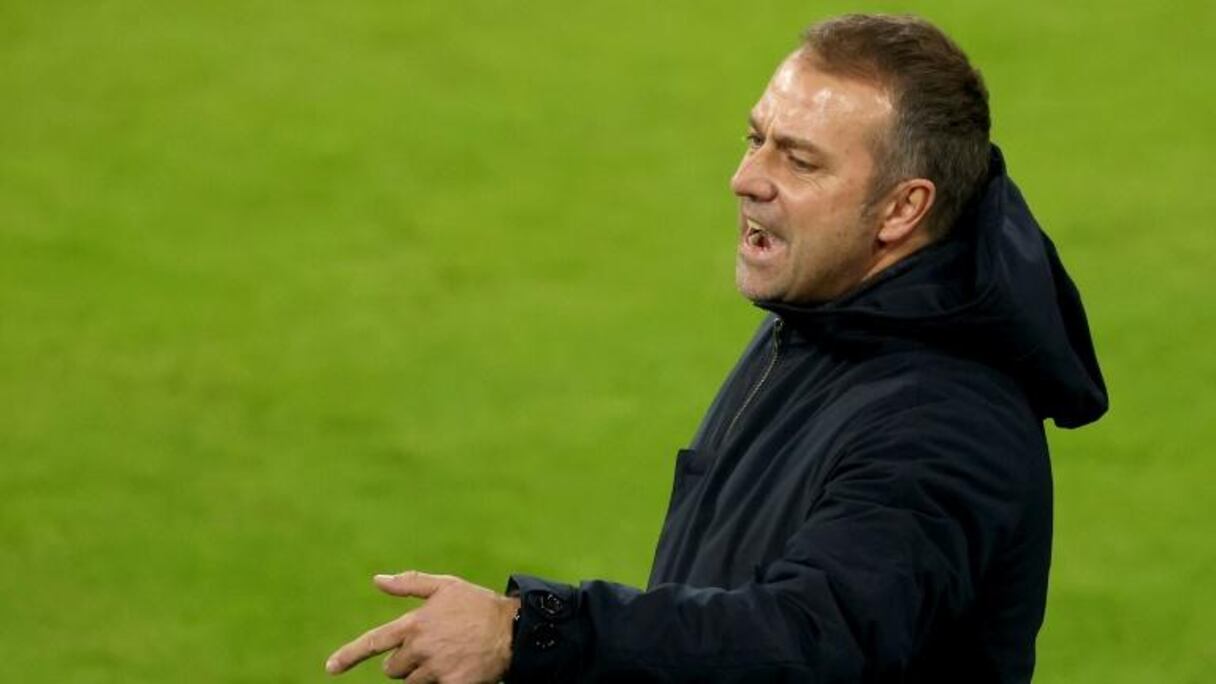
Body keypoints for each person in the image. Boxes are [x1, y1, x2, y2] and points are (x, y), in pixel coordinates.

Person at [325, 13, 1107, 683]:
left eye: (798, 159)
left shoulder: (946, 422)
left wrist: (527, 634)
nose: (746, 178)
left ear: (902, 209)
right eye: (756, 138)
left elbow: (808, 639)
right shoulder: (828, 314)